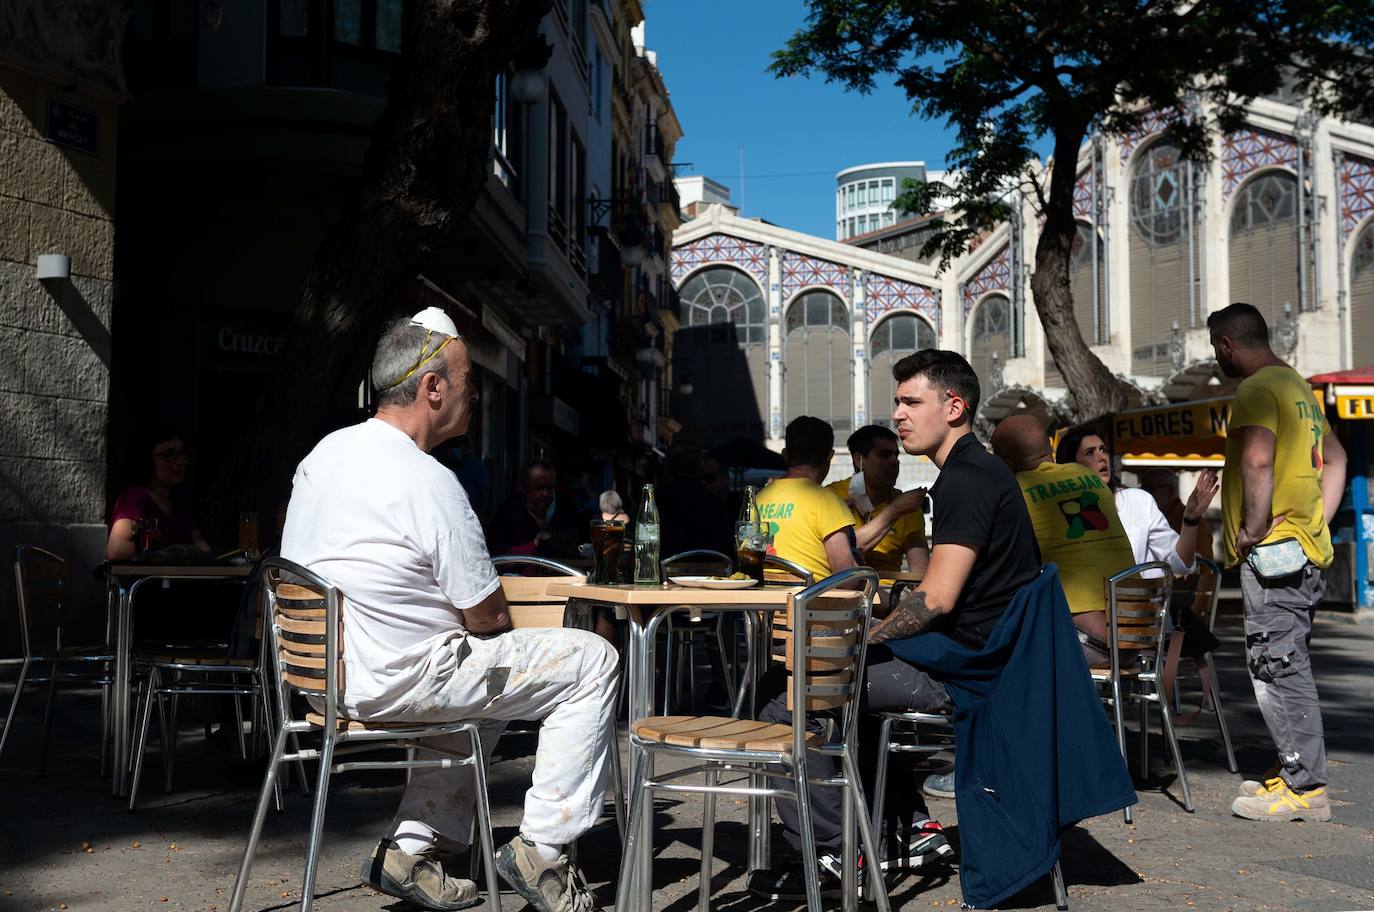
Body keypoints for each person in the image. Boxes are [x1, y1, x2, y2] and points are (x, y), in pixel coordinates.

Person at [281, 308, 617, 912]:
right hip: (399, 680)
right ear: (433, 389)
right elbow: (487, 617)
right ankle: (543, 848)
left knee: (486, 688)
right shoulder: (426, 479)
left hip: (324, 679)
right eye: (469, 384)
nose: (475, 397)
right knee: (592, 659)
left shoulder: (322, 455)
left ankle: (414, 849)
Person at [750, 352, 1039, 900]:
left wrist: (861, 639)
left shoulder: (966, 479)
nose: (899, 414)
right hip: (977, 657)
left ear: (955, 407)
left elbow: (934, 597)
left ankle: (832, 854)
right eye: (898, 402)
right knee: (829, 680)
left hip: (968, 671)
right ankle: (903, 832)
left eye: (911, 402)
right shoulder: (972, 472)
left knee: (789, 694)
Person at [1208, 301, 1347, 822]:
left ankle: (1305, 788)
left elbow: (1258, 458)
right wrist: (1317, 522)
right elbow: (1337, 459)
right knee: (1287, 662)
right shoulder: (1299, 391)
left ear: (1226, 344)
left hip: (1273, 556)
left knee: (1278, 667)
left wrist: (1254, 527)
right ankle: (1295, 772)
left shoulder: (1256, 389)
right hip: (1304, 549)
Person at [993, 415, 1135, 668]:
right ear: (1049, 447)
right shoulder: (1089, 477)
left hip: (1093, 645)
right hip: (1139, 631)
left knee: (998, 650)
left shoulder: (1016, 490)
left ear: (1006, 463)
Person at [1056, 424, 1219, 579]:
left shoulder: (1138, 501)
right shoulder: (1057, 510)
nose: (1102, 457)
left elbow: (1180, 564)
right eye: (1090, 452)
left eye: (1102, 449)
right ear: (1070, 465)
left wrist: (1190, 518)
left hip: (1137, 605)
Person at [754, 417, 857, 580]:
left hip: (763, 602)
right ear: (829, 456)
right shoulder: (828, 501)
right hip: (811, 602)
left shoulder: (757, 500)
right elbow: (846, 579)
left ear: (785, 455)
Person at [826, 425, 929, 574]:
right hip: (844, 590)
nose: (894, 462)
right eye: (884, 455)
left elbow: (920, 570)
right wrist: (894, 511)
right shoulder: (833, 496)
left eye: (896, 455)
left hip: (890, 592)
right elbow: (843, 552)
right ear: (858, 460)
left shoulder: (908, 507)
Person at [107, 424, 210, 560]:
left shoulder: (177, 506)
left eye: (183, 453)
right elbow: (116, 549)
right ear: (147, 459)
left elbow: (204, 550)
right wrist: (169, 553)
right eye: (169, 455)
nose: (180, 461)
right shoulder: (136, 497)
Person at [488, 459, 587, 559]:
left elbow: (583, 546)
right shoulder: (507, 512)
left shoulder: (567, 510)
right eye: (539, 488)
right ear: (524, 489)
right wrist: (533, 545)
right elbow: (496, 556)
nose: (546, 493)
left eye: (550, 487)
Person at [657, 445, 733, 557]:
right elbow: (727, 550)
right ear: (699, 468)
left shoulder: (657, 500)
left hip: (666, 570)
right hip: (713, 571)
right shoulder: (713, 502)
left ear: (667, 468)